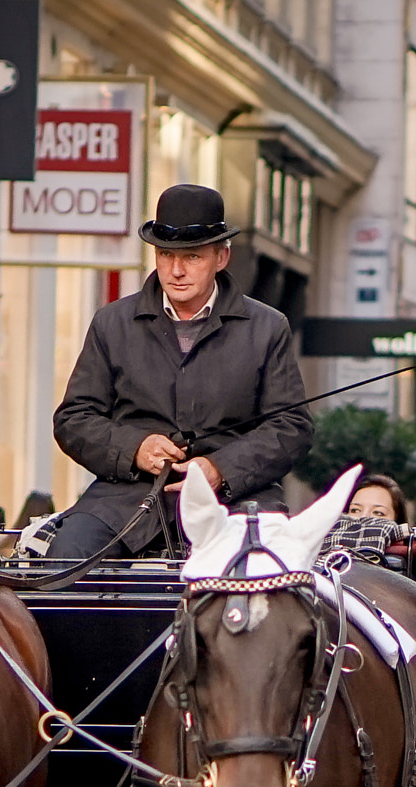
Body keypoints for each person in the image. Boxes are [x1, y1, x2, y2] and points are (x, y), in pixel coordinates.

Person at [50, 184, 312, 558]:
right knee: (62, 568)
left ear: (222, 257)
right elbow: (74, 419)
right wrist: (135, 448)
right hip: (124, 499)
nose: (175, 270)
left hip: (237, 502)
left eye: (191, 257)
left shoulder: (268, 327)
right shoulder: (112, 323)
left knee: (268, 588)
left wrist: (220, 468)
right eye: (165, 255)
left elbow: (292, 428)